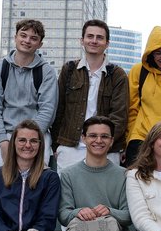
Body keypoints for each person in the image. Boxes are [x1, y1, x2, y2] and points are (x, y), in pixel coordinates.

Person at [51, 20, 129, 168]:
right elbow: (58, 109)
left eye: (99, 37)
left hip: (105, 148)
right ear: (82, 40)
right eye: (90, 36)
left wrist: (104, 141)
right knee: (68, 191)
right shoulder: (69, 70)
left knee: (104, 191)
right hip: (70, 147)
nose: (94, 41)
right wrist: (57, 145)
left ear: (107, 43)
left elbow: (119, 116)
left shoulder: (117, 75)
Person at [0, 18, 57, 169]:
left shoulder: (47, 72)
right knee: (0, 180)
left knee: (35, 182)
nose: (27, 40)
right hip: (4, 134)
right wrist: (3, 142)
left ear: (40, 44)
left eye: (33, 38)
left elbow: (47, 111)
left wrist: (29, 140)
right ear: (15, 37)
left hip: (37, 135)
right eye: (23, 35)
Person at [125, 25, 161, 165]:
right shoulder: (138, 71)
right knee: (137, 182)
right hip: (141, 137)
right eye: (158, 53)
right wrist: (127, 141)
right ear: (150, 54)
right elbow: (131, 109)